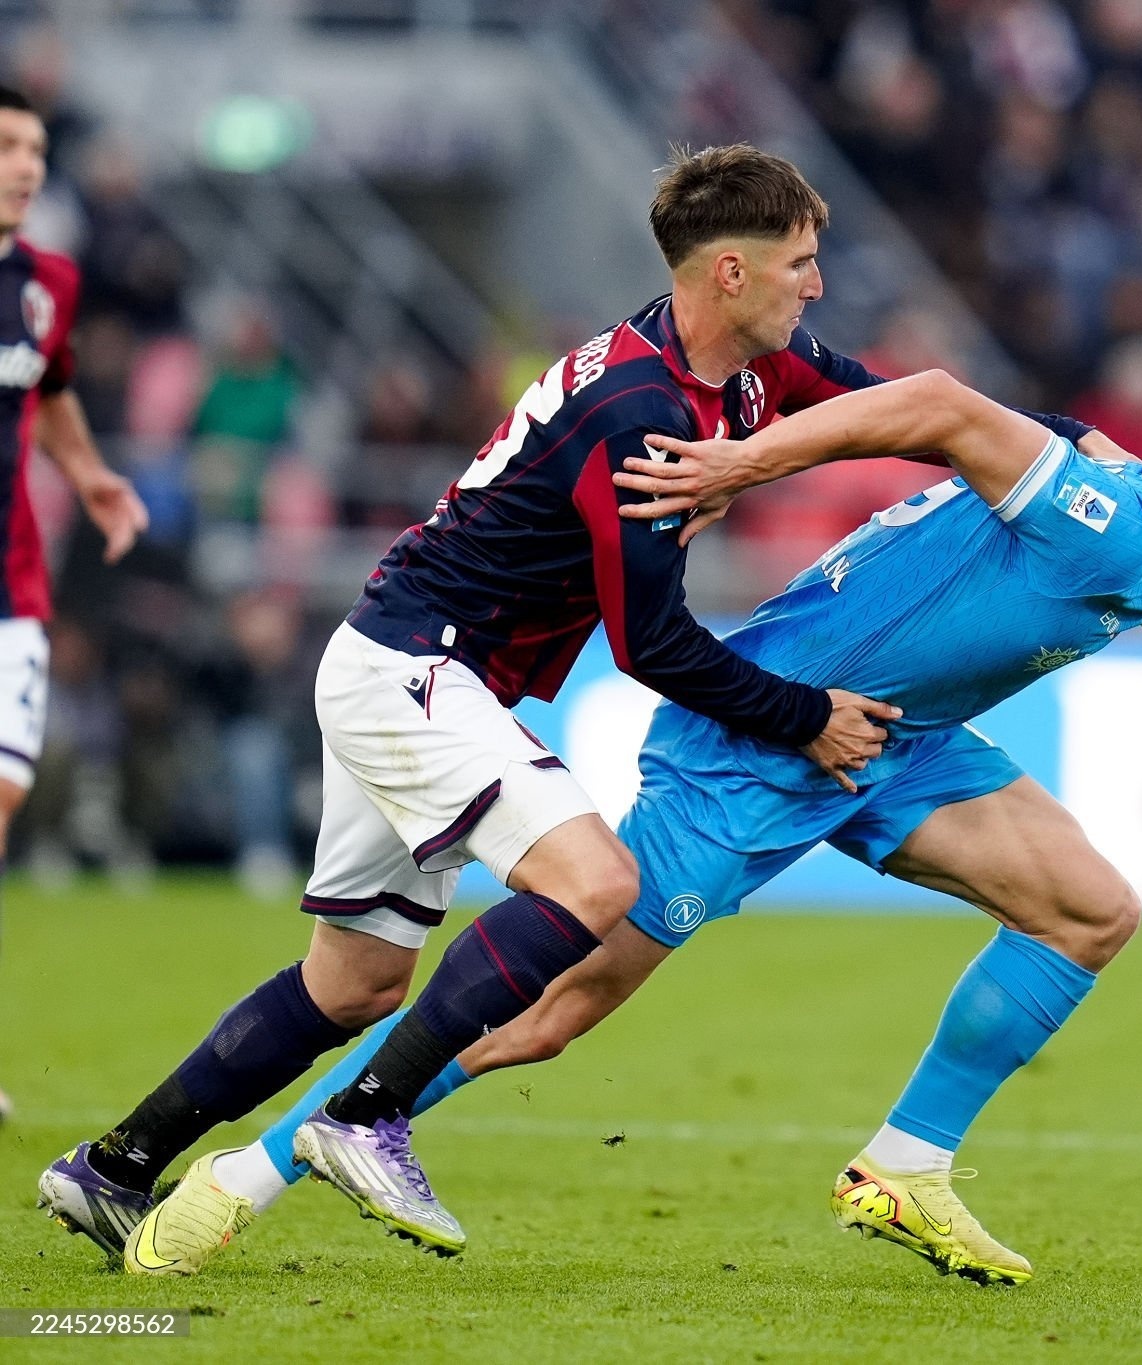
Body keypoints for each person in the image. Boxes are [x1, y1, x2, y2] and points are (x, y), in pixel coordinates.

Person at [39, 143, 1047, 1263]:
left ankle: (114, 1167)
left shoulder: (743, 369)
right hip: (420, 670)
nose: (817, 284)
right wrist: (806, 718)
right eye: (801, 262)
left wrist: (1059, 459)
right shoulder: (636, 411)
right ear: (729, 272)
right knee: (596, 881)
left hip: (403, 661)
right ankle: (364, 1116)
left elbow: (902, 411)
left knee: (354, 985)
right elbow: (653, 645)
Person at [149, 373, 1142, 1284]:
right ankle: (249, 1174)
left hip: (895, 741)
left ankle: (903, 1168)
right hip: (760, 742)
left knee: (1088, 910)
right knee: (548, 1015)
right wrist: (743, 461)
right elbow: (939, 405)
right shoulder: (1109, 518)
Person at [0, 84, 150, 1125]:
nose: (25, 166)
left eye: (36, 150)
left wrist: (90, 475)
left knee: (5, 798)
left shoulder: (47, 283)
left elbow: (48, 389)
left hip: (12, 588)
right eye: (7, 145)